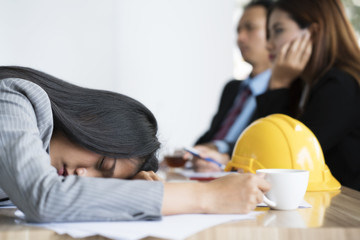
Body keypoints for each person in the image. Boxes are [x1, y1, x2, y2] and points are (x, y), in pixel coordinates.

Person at [0, 66, 270, 222]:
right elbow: (44, 198)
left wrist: (122, 193)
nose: (84, 176)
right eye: (103, 164)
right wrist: (207, 196)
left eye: (101, 179)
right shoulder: (14, 98)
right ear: (93, 120)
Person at [254, 0, 360, 190]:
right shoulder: (304, 86)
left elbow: (282, 162)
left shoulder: (340, 86)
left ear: (312, 33)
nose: (269, 45)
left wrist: (278, 85)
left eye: (278, 31)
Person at [190, 0, 273, 172]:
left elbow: (265, 147)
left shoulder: (283, 93)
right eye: (238, 30)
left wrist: (217, 148)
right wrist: (196, 151)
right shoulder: (233, 88)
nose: (240, 37)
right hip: (208, 171)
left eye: (250, 28)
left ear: (274, 33)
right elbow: (210, 135)